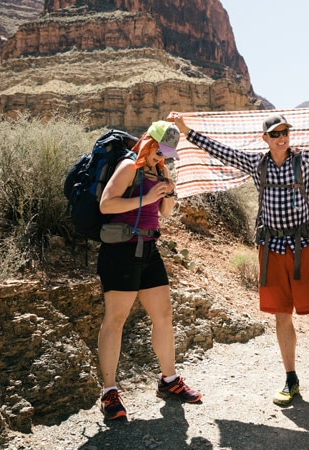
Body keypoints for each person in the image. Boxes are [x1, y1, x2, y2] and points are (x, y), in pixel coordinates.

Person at [168, 100, 309, 407]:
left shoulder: (306, 160)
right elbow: (219, 150)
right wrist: (186, 130)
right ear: (265, 138)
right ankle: (291, 380)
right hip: (270, 250)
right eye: (275, 133)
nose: (281, 137)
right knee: (281, 315)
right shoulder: (257, 164)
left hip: (302, 248)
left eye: (285, 132)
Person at [96, 121, 201, 420]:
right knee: (115, 320)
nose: (162, 159)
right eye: (160, 153)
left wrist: (167, 192)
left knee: (164, 316)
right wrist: (146, 197)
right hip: (121, 250)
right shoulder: (129, 166)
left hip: (149, 248)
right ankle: (109, 392)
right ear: (149, 143)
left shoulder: (160, 170)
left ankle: (169, 380)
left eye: (167, 155)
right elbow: (106, 205)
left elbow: (165, 214)